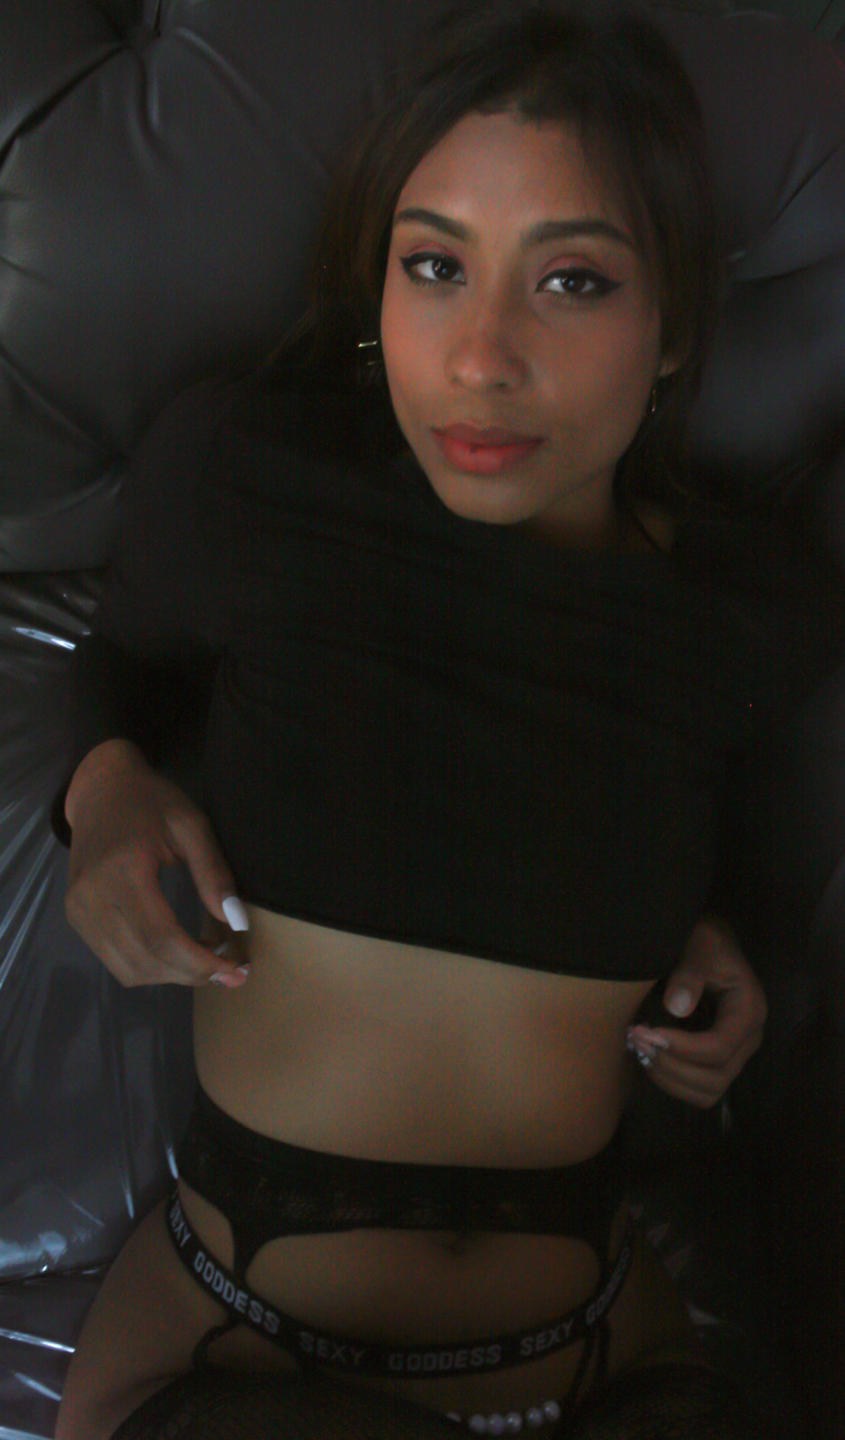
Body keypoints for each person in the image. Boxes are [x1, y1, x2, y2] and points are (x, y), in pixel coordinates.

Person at [54, 4, 832, 1437]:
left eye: (572, 282)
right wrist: (101, 789)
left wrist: (733, 971)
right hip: (243, 1363)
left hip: (607, 1361)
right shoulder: (250, 472)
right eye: (434, 266)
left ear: (670, 329)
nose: (480, 358)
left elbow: (756, 888)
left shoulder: (746, 606)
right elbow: (113, 665)